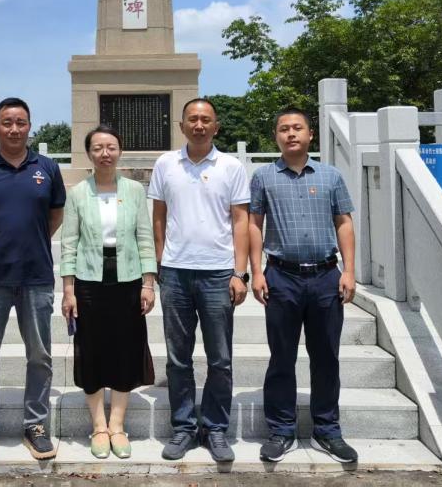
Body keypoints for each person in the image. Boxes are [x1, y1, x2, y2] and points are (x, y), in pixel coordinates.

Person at [0, 97, 66, 462]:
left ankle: (35, 425)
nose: (14, 129)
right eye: (7, 122)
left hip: (36, 277)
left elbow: (55, 214)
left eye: (21, 122)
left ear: (29, 126)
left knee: (40, 356)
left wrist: (33, 242)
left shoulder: (47, 168)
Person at [248, 107, 359, 464]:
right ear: (276, 136)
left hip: (326, 276)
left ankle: (327, 430)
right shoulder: (263, 177)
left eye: (298, 128)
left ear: (311, 135)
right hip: (282, 277)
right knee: (282, 356)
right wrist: (256, 271)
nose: (291, 133)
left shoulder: (330, 176)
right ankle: (281, 430)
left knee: (326, 356)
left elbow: (344, 223)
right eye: (284, 128)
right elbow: (254, 224)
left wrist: (349, 271)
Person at [148, 98, 250, 463]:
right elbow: (158, 216)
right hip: (176, 272)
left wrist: (239, 272)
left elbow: (240, 220)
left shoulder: (231, 166)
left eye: (206, 119)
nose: (199, 125)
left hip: (219, 273)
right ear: (182, 126)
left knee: (220, 358)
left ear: (216, 126)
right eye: (192, 119)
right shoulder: (166, 164)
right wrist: (161, 261)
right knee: (178, 358)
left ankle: (216, 428)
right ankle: (183, 427)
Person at [60, 125, 157, 459]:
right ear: (89, 153)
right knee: (91, 349)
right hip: (88, 281)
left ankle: (117, 425)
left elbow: (144, 236)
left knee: (125, 349)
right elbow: (69, 243)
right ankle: (99, 426)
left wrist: (148, 282)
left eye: (111, 147)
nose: (105, 153)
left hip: (128, 279)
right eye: (98, 148)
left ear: (120, 151)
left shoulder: (133, 190)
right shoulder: (78, 193)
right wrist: (68, 290)